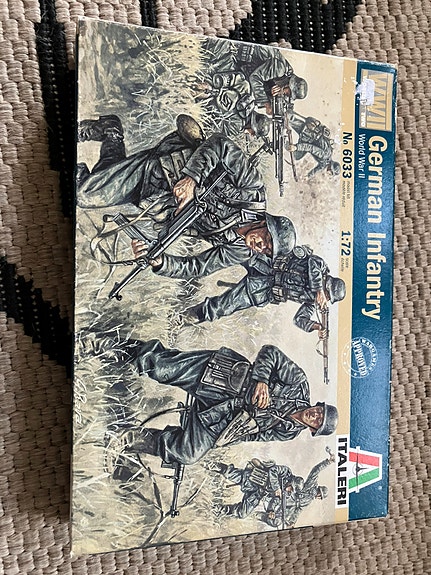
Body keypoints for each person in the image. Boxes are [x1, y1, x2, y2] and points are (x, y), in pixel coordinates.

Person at [79, 334, 339, 467]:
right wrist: (261, 380)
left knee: (188, 453)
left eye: (318, 422)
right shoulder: (299, 383)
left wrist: (226, 438)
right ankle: (100, 344)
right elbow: (270, 352)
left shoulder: (288, 432)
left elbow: (254, 435)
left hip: (219, 417)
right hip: (220, 376)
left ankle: (125, 439)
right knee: (161, 367)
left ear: (313, 430)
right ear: (318, 405)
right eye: (320, 411)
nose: (315, 416)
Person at [76, 114, 267, 235]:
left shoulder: (231, 241)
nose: (261, 247)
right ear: (267, 224)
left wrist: (159, 255)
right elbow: (220, 144)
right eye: (267, 240)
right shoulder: (253, 190)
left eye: (267, 251)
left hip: (155, 201)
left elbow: (195, 256)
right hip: (166, 168)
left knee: (106, 179)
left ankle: (112, 131)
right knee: (85, 195)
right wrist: (192, 179)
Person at [209, 458, 303, 519]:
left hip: (257, 494)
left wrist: (271, 511)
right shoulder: (286, 472)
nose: (289, 490)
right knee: (230, 474)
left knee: (243, 513)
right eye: (291, 488)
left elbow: (275, 501)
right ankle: (213, 465)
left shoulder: (286, 494)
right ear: (292, 482)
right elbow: (273, 470)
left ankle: (220, 509)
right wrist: (276, 488)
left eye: (291, 491)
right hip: (254, 478)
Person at [263, 450, 335, 528]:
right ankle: (266, 512)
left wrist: (292, 522)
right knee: (276, 501)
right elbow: (316, 470)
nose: (319, 498)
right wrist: (328, 462)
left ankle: (263, 517)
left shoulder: (309, 500)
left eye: (321, 498)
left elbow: (299, 510)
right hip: (289, 496)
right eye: (320, 496)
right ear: (319, 493)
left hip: (290, 508)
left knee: (276, 522)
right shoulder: (311, 485)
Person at [288, 112, 341, 179]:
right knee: (288, 120)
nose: (329, 173)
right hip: (308, 134)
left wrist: (308, 176)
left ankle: (283, 139)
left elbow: (317, 169)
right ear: (331, 168)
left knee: (296, 156)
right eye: (331, 172)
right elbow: (311, 148)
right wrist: (296, 147)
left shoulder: (325, 162)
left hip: (309, 139)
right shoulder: (325, 155)